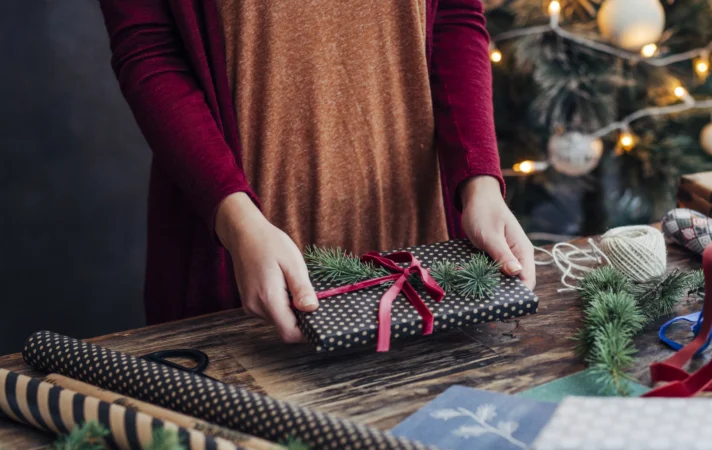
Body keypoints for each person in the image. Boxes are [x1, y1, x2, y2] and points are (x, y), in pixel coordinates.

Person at [99, 0, 535, 343]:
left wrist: (481, 185)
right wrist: (237, 225)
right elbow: (150, 50)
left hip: (424, 251)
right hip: (246, 253)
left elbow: (454, 17)